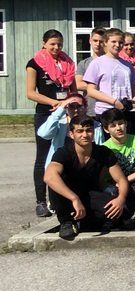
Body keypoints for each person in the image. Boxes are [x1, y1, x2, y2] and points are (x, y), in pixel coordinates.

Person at [44, 114, 130, 241]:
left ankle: (88, 222)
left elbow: (121, 179)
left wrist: (121, 199)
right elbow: (48, 177)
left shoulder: (103, 152)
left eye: (88, 130)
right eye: (80, 131)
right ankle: (66, 222)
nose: (85, 135)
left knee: (122, 212)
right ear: (71, 134)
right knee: (55, 181)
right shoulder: (64, 153)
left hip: (90, 195)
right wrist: (74, 198)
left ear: (93, 132)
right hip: (68, 197)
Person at [26, 29, 77, 216]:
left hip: (66, 114)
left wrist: (72, 104)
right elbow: (30, 93)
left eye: (59, 44)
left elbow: (73, 90)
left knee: (64, 155)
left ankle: (60, 199)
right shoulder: (34, 63)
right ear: (44, 43)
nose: (56, 48)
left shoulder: (68, 63)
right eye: (52, 44)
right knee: (43, 157)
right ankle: (41, 201)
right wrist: (54, 103)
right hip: (46, 113)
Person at [82, 28, 135, 125]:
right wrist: (114, 102)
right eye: (113, 42)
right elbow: (91, 91)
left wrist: (134, 100)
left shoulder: (127, 65)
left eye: (120, 42)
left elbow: (133, 87)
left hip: (126, 112)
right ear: (105, 42)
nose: (117, 45)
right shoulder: (97, 63)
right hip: (106, 112)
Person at [75, 26, 106, 116]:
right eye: (95, 40)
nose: (98, 44)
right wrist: (103, 85)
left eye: (101, 41)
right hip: (90, 109)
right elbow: (78, 84)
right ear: (90, 41)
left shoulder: (111, 62)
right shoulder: (84, 63)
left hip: (108, 109)